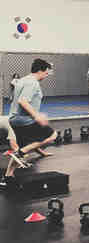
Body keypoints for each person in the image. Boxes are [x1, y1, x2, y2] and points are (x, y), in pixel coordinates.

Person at [6, 59, 58, 187]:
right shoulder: (32, 83)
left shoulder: (22, 80)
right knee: (52, 135)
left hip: (14, 120)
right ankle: (19, 153)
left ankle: (8, 175)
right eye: (46, 72)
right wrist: (37, 116)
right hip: (25, 120)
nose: (46, 75)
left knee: (24, 149)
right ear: (40, 71)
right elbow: (22, 101)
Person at [0, 116, 29, 187]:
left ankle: (6, 177)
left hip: (3, 125)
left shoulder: (17, 123)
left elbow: (32, 145)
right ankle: (5, 178)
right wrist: (22, 162)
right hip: (4, 126)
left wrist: (43, 153)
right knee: (17, 150)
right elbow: (16, 149)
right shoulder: (13, 129)